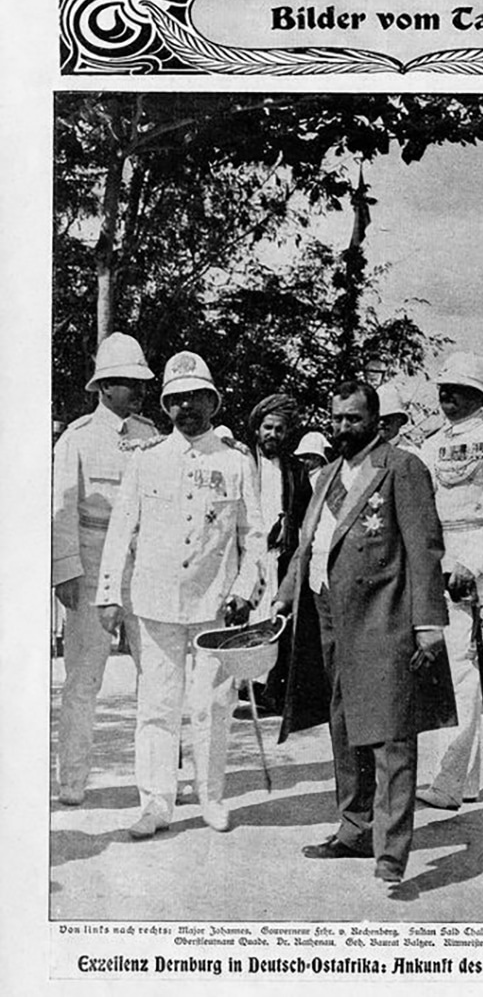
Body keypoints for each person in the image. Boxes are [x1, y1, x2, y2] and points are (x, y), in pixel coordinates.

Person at [274, 380, 453, 884]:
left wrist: (428, 623)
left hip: (383, 614)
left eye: (353, 418)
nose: (342, 428)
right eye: (336, 419)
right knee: (344, 723)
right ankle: (354, 829)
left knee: (392, 731)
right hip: (328, 614)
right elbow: (308, 543)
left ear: (375, 420)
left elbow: (424, 548)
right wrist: (285, 595)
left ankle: (391, 854)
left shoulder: (402, 468)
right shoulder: (328, 473)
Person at [96, 352, 266, 838]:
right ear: (166, 407)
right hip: (154, 602)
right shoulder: (147, 460)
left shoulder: (234, 462)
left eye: (195, 397)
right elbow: (121, 529)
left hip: (214, 603)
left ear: (213, 402)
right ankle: (155, 802)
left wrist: (242, 589)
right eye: (175, 400)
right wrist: (109, 593)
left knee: (212, 703)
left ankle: (211, 796)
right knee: (156, 703)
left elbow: (253, 536)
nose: (185, 407)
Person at [52, 332, 157, 806]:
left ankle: (157, 782)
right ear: (103, 387)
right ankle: (73, 781)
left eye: (139, 382)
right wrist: (66, 570)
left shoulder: (149, 435)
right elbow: (61, 508)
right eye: (125, 382)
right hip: (92, 568)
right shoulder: (77, 438)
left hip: (143, 569)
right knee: (83, 680)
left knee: (155, 676)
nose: (136, 391)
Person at [416, 351, 483, 810]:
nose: (448, 397)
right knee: (441, 669)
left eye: (457, 390)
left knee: (464, 674)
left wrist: (473, 565)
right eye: (444, 389)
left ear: (479, 395)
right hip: (436, 562)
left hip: (477, 569)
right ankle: (461, 780)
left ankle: (448, 780)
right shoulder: (430, 443)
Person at [232, 394, 311, 719]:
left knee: (274, 623)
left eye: (279, 429)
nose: (273, 435)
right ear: (257, 429)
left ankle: (270, 693)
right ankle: (245, 688)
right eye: (268, 427)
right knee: (246, 621)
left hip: (280, 557)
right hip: (248, 557)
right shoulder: (242, 460)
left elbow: (304, 512)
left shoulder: (294, 469)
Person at [377, 382, 420, 455]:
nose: (381, 423)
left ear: (399, 420)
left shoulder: (411, 454)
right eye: (377, 419)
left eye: (387, 418)